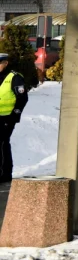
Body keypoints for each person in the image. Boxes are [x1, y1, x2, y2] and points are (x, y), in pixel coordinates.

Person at [0, 53, 29, 182]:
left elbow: (22, 98)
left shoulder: (14, 77)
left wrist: (15, 115)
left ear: (5, 63)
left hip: (7, 118)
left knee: (2, 143)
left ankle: (4, 174)